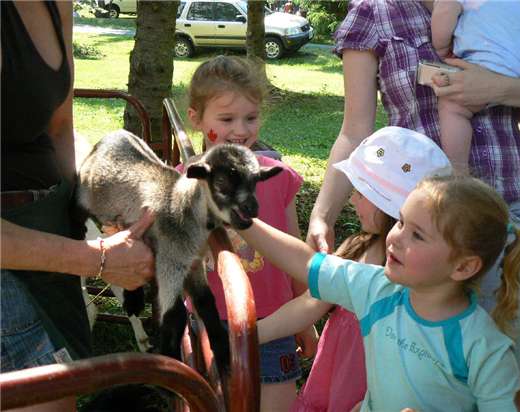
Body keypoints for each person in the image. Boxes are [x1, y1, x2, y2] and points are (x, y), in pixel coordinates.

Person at [306, 0, 520, 367]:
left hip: (505, 216)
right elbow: (355, 129)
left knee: (497, 361)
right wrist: (323, 214)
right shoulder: (374, 12)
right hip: (423, 230)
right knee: (425, 366)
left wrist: (496, 88)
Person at [241, 173, 520, 412]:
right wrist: (241, 220)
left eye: (417, 235)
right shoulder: (379, 290)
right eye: (401, 222)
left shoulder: (484, 347)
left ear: (464, 266)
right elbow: (306, 264)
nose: (395, 238)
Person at [1, 2, 155, 411]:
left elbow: (59, 127)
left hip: (44, 218)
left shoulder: (56, 4)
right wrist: (97, 259)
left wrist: (93, 206)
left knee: (63, 388)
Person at [258, 126, 453, 412]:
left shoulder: (415, 279)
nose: (352, 200)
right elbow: (311, 302)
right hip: (332, 381)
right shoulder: (356, 248)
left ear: (389, 205)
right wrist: (249, 335)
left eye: (361, 193)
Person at [175, 55, 318, 412]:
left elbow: (294, 255)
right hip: (210, 325)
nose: (241, 129)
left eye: (250, 118)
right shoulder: (183, 181)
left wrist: (306, 319)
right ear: (196, 119)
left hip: (275, 322)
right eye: (226, 119)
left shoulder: (280, 177)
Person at [431, 0, 520, 172]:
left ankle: (458, 168)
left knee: (452, 106)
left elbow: (445, 11)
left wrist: (441, 47)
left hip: (496, 59)